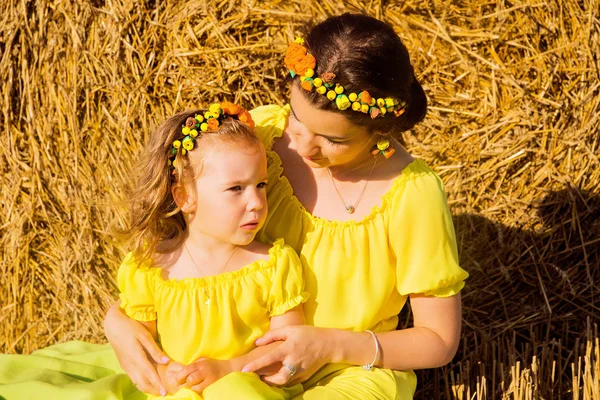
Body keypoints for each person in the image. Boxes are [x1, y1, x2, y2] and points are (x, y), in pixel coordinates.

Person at [105, 13, 469, 399]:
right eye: (297, 117)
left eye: (331, 139)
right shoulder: (264, 137)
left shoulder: (411, 193)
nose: (304, 145)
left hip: (347, 375)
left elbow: (439, 340)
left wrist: (328, 345)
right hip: (233, 368)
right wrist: (116, 320)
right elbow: (189, 238)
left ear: (379, 130)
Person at [114, 101, 309, 399]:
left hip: (248, 389)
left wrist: (230, 368)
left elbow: (288, 346)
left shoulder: (272, 266)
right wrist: (168, 374)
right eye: (236, 189)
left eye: (260, 185)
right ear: (185, 197)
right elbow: (141, 348)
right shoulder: (152, 268)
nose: (256, 201)